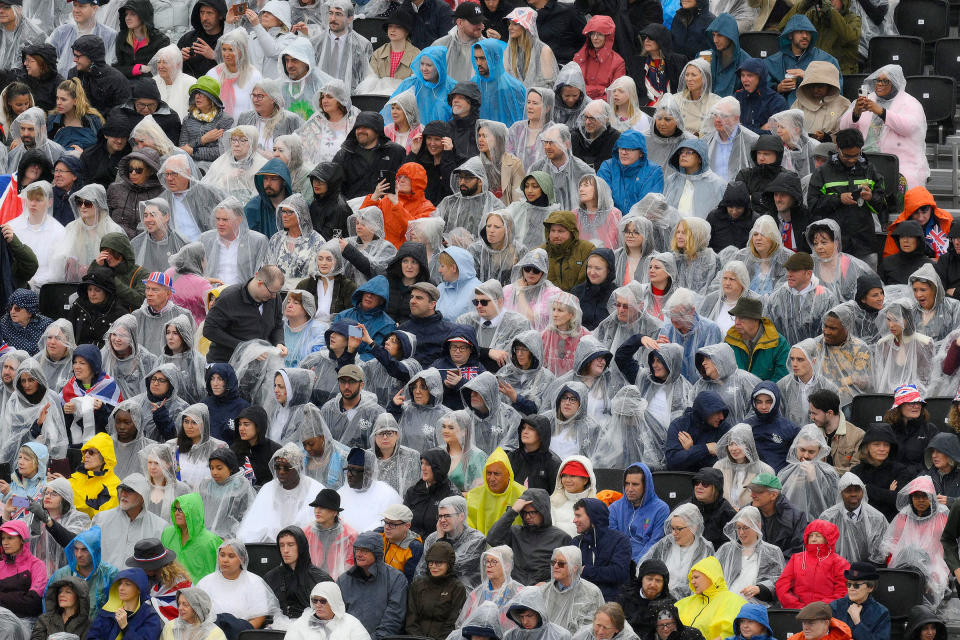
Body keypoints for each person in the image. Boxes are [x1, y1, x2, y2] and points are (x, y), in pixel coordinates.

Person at [838, 64, 927, 190]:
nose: (879, 84)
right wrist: (856, 113)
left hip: (900, 161)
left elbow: (909, 127)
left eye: (885, 81)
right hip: (864, 158)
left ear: (895, 83)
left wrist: (881, 112)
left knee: (908, 181)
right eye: (878, 80)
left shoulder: (910, 103)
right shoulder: (867, 99)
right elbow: (843, 128)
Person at [808, 128, 885, 263]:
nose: (851, 160)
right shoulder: (822, 172)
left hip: (864, 244)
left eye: (856, 155)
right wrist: (839, 199)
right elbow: (813, 205)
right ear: (838, 148)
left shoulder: (870, 170)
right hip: (834, 244)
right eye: (847, 156)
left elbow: (883, 206)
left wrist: (871, 198)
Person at [882, 475, 950, 606]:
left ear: (931, 497)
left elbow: (948, 544)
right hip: (905, 561)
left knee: (933, 584)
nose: (920, 500)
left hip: (936, 562)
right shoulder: (904, 515)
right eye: (916, 497)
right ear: (911, 498)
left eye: (925, 496)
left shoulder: (942, 514)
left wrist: (937, 572)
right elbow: (894, 542)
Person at [236, 442, 322, 542]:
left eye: (286, 468)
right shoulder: (268, 489)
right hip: (271, 549)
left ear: (299, 468)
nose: (281, 472)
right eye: (277, 467)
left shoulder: (315, 489)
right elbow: (251, 528)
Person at [486, 488, 571, 585]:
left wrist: (549, 584)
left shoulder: (561, 538)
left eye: (532, 512)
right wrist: (513, 511)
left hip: (544, 591)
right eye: (524, 512)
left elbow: (568, 572)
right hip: (515, 589)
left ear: (543, 511)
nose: (528, 517)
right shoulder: (514, 533)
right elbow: (492, 539)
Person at [195, 539, 281, 628]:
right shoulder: (205, 582)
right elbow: (196, 614)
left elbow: (259, 617)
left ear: (241, 559)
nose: (225, 560)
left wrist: (238, 633)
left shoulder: (254, 582)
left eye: (231, 556)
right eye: (222, 555)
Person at [336, 531, 408, 638]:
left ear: (377, 553)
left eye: (365, 551)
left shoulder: (396, 579)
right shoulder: (344, 580)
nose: (359, 554)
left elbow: (393, 619)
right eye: (357, 549)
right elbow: (336, 615)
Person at [638, 503, 715, 599]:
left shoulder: (705, 549)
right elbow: (645, 565)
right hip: (657, 595)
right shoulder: (666, 543)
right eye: (672, 528)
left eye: (679, 529)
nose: (674, 533)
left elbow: (704, 583)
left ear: (693, 527)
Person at [714, 506, 785, 605]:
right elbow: (712, 573)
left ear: (758, 526)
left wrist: (760, 588)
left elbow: (780, 581)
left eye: (746, 527)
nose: (741, 532)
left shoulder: (772, 552)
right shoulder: (726, 550)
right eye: (738, 527)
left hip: (756, 609)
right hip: (726, 606)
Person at [263, 525, 332, 624]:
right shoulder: (270, 578)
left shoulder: (320, 579)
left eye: (290, 545)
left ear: (301, 547)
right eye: (282, 545)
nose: (285, 550)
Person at [675, 556, 746, 640]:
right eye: (691, 578)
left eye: (696, 577)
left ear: (712, 577)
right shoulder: (685, 602)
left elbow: (731, 634)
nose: (692, 581)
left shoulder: (733, 601)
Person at [538, 546, 604, 634]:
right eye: (553, 562)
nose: (556, 566)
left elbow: (596, 628)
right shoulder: (543, 591)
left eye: (561, 563)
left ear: (574, 568)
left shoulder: (592, 593)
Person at [86, 568, 164, 640]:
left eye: (127, 584)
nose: (121, 588)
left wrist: (125, 628)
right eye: (120, 584)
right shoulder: (108, 610)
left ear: (139, 589)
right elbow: (92, 636)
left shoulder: (150, 616)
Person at [748, 472, 808, 559]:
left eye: (758, 491)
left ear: (773, 495)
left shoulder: (796, 517)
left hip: (785, 569)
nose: (752, 495)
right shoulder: (747, 512)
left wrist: (775, 567)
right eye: (751, 490)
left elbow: (798, 551)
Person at [69, 35, 132, 115]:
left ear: (92, 57)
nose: (74, 60)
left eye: (78, 56)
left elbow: (123, 114)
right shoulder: (74, 74)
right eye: (74, 55)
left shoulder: (117, 80)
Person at [286, 581, 371, 640]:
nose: (318, 605)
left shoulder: (351, 623)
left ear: (333, 601)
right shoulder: (301, 624)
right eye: (315, 600)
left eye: (323, 601)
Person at [470, 39, 526, 125]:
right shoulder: (472, 85)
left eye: (482, 58)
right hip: (479, 137)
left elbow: (522, 123)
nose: (478, 63)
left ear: (495, 58)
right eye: (476, 58)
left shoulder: (513, 87)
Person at [503, 587, 573, 640]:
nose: (525, 622)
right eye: (521, 617)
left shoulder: (560, 636)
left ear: (539, 613)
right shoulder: (511, 635)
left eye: (529, 616)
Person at [705, 14, 749, 98]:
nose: (715, 40)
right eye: (713, 35)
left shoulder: (746, 62)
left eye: (720, 35)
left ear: (731, 35)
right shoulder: (705, 57)